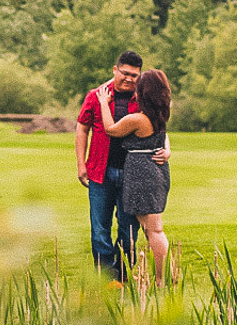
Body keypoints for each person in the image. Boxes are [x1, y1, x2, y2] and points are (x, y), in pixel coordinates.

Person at [74, 52, 169, 281]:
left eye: (134, 75)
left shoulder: (143, 98)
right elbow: (82, 128)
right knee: (100, 230)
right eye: (125, 73)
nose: (129, 78)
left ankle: (123, 275)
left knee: (128, 232)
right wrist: (81, 163)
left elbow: (159, 127)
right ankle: (105, 279)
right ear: (115, 70)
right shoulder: (96, 95)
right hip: (100, 172)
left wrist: (167, 149)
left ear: (139, 76)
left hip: (132, 176)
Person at [94, 69, 173, 283]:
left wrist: (103, 103)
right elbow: (164, 137)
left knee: (154, 230)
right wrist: (167, 150)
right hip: (156, 173)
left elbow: (111, 129)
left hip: (142, 175)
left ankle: (162, 279)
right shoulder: (161, 114)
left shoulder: (137, 119)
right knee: (151, 228)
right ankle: (166, 275)